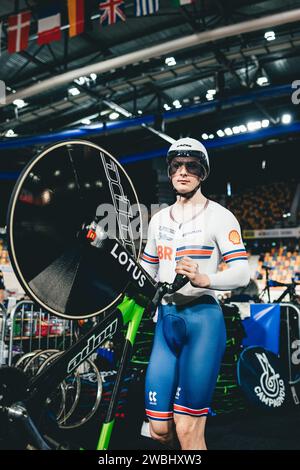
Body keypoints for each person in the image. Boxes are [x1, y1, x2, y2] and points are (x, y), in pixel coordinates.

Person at [140, 137, 250, 450]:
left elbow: (243, 272)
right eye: (177, 166)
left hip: (202, 321)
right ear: (170, 171)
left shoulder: (220, 216)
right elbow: (146, 271)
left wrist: (206, 278)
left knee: (188, 428)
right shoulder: (158, 220)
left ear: (203, 173)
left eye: (192, 167)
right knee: (160, 429)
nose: (183, 172)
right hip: (167, 324)